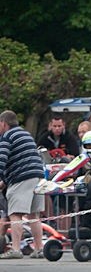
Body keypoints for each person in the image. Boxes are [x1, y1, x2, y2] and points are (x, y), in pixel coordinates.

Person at [0, 110, 45, 259]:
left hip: (21, 178)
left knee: (15, 214)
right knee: (34, 214)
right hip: (37, 176)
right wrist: (4, 181)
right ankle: (39, 249)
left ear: (3, 123)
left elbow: (2, 160)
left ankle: (15, 249)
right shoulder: (25, 134)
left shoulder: (7, 136)